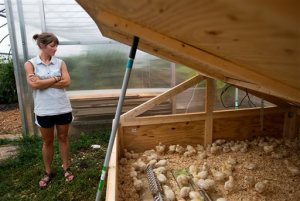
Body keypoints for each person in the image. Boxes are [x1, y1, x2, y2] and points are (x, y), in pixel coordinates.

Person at [24, 32, 74, 188]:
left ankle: (66, 167)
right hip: (44, 110)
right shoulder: (30, 64)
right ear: (42, 46)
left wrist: (43, 81)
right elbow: (34, 85)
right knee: (47, 141)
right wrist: (55, 79)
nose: (56, 49)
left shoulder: (60, 63)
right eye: (53, 46)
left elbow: (67, 82)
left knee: (63, 138)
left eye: (56, 45)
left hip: (62, 108)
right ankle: (48, 171)